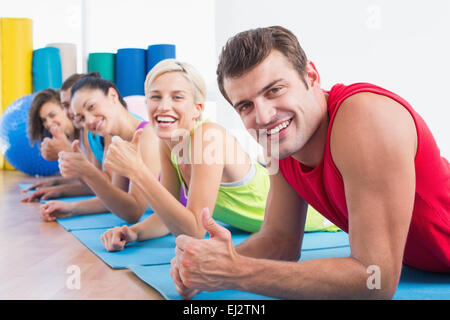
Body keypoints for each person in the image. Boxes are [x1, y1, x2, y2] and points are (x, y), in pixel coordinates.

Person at [170, 26, 450, 300]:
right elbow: (280, 240)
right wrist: (205, 266)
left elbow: (375, 278)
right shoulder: (281, 141)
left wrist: (235, 271)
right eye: (246, 106)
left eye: (275, 90)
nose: (265, 116)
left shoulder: (367, 119)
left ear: (311, 76)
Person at [100, 59, 270, 252]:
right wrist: (133, 233)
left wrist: (137, 171)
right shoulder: (168, 144)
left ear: (197, 108)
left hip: (306, 216)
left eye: (177, 97)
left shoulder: (208, 136)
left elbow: (195, 230)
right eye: (155, 97)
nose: (164, 106)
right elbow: (167, 217)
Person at [40, 73, 161, 224]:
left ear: (112, 95)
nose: (89, 121)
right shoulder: (119, 143)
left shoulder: (147, 135)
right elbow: (116, 198)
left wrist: (87, 171)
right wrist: (72, 208)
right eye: (81, 118)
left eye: (91, 106)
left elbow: (134, 211)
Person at [22, 74, 102, 202]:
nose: (48, 123)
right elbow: (90, 178)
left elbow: (98, 183)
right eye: (44, 120)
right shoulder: (73, 136)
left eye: (52, 115)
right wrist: (56, 182)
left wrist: (59, 190)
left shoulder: (88, 130)